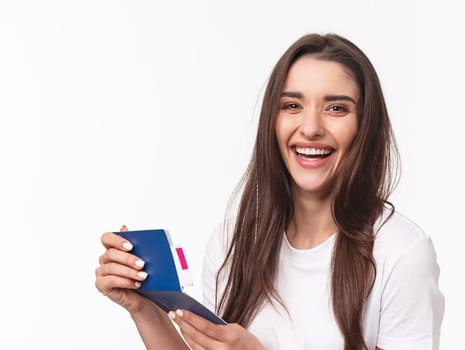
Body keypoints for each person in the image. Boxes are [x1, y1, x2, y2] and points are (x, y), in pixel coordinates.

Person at [94, 33, 445, 350]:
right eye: (292, 105)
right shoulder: (231, 240)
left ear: (365, 125)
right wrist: (145, 311)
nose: (310, 128)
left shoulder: (401, 251)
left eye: (336, 108)